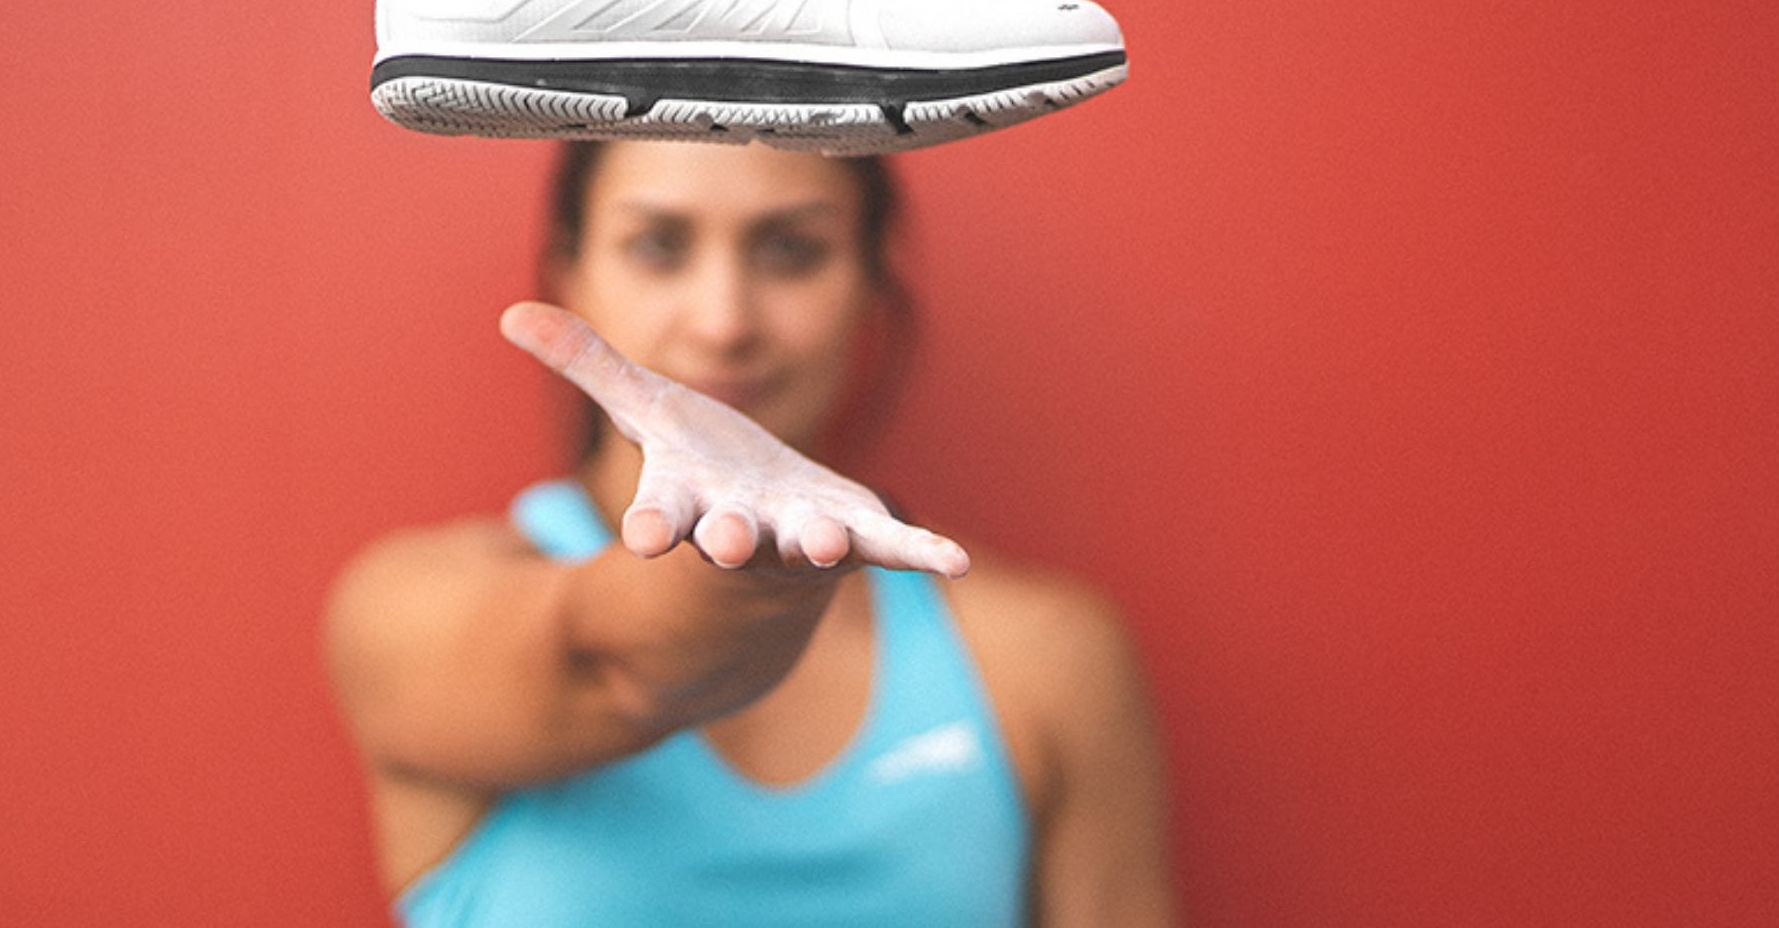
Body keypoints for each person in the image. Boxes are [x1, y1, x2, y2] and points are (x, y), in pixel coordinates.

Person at [322, 140, 1177, 927]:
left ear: (869, 285)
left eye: (791, 251)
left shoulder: (1044, 659)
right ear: (570, 276)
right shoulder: (406, 614)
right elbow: (621, 669)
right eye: (658, 246)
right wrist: (760, 569)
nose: (725, 321)